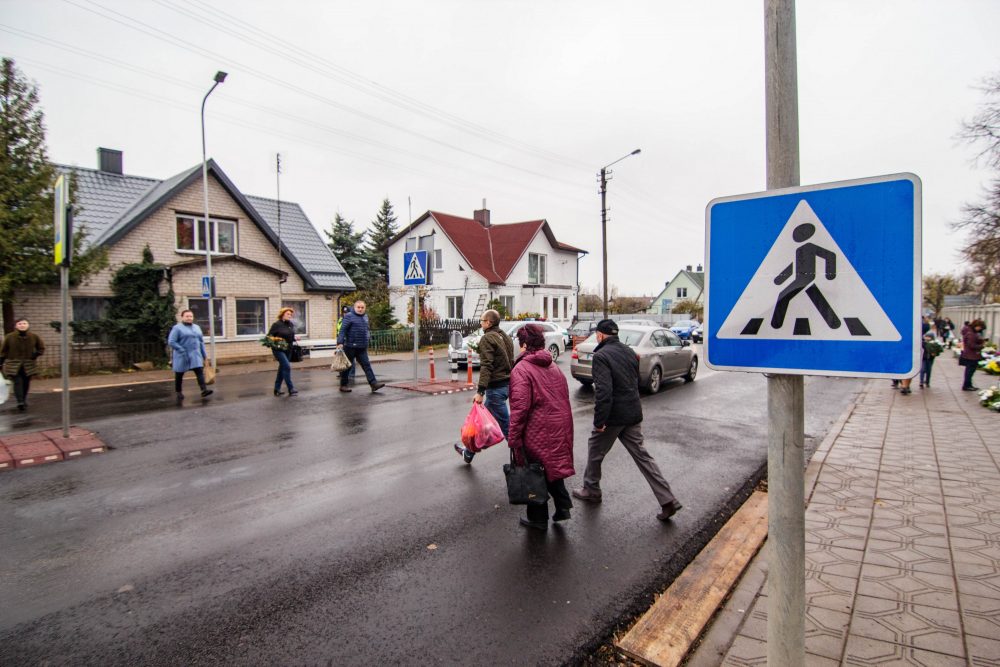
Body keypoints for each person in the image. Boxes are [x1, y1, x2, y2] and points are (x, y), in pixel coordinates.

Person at [572, 319, 683, 521]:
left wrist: (599, 421)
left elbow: (604, 392)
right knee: (643, 457)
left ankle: (591, 489)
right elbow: (634, 381)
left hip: (614, 416)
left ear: (600, 335)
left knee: (595, 450)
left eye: (597, 334)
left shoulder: (601, 356)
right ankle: (668, 499)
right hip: (633, 412)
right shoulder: (629, 352)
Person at [507, 324, 574, 530]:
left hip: (537, 428)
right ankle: (563, 506)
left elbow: (520, 409)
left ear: (524, 345)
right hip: (559, 425)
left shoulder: (521, 369)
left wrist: (514, 438)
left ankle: (538, 519)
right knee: (550, 466)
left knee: (534, 471)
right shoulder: (552, 365)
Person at [454, 309, 514, 464]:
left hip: (496, 390)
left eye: (482, 321)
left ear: (489, 322)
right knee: (482, 425)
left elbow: (486, 365)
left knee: (507, 428)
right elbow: (510, 360)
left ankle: (524, 460)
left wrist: (480, 391)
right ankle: (468, 453)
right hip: (506, 385)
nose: (480, 323)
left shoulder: (487, 338)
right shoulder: (505, 337)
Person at [336, 300, 385, 393]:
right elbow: (342, 330)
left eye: (362, 307)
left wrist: (368, 339)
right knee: (347, 367)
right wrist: (340, 342)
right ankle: (343, 385)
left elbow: (366, 329)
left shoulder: (365, 317)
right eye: (358, 307)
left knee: (366, 365)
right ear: (354, 307)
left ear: (365, 308)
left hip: (362, 347)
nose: (360, 309)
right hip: (350, 346)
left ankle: (373, 384)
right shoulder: (349, 316)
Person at [167, 309, 213, 401]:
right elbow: (171, 341)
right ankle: (178, 392)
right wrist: (181, 350)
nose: (189, 318)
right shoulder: (177, 328)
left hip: (195, 354)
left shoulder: (197, 327)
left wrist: (204, 356)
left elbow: (201, 342)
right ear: (182, 317)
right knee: (179, 374)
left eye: (191, 316)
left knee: (199, 371)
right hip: (182, 355)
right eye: (187, 316)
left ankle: (204, 390)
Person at [1, 318, 45, 411]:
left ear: (28, 325)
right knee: (18, 382)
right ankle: (20, 401)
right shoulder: (9, 337)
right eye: (20, 324)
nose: (22, 325)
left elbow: (41, 348)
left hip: (28, 364)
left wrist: (35, 355)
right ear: (16, 326)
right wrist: (1, 362)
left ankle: (23, 399)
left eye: (24, 323)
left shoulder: (34, 336)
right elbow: (3, 351)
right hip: (13, 364)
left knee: (26, 383)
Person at [268, 307, 298, 396]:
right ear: (282, 314)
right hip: (278, 350)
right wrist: (276, 342)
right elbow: (269, 337)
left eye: (291, 314)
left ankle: (277, 389)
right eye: (288, 314)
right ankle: (291, 388)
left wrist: (295, 338)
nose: (290, 316)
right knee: (287, 366)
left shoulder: (290, 324)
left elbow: (290, 336)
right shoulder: (276, 325)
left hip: (288, 349)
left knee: (282, 368)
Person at [960, 319, 987, 391]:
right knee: (969, 371)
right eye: (980, 327)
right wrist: (982, 346)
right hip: (971, 355)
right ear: (976, 326)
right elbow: (971, 345)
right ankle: (967, 385)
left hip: (971, 355)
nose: (980, 329)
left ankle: (968, 384)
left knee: (970, 371)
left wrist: (980, 341)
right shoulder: (971, 333)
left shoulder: (971, 332)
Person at [337, 305, 357, 383]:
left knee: (351, 358)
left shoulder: (351, 319)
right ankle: (342, 373)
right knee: (342, 357)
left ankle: (351, 374)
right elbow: (339, 331)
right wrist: (338, 342)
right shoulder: (340, 320)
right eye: (344, 312)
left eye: (346, 312)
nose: (345, 313)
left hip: (349, 341)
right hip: (341, 342)